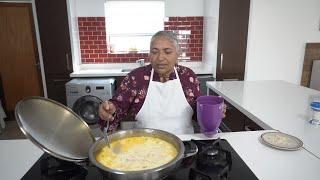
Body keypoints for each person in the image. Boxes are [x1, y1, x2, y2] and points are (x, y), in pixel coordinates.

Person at [99, 31, 226, 134]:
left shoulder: (187, 76)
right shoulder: (136, 78)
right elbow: (118, 107)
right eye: (155, 52)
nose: (160, 58)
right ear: (149, 55)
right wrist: (110, 110)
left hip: (184, 144)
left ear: (177, 54)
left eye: (167, 52)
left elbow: (197, 113)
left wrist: (212, 112)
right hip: (144, 144)